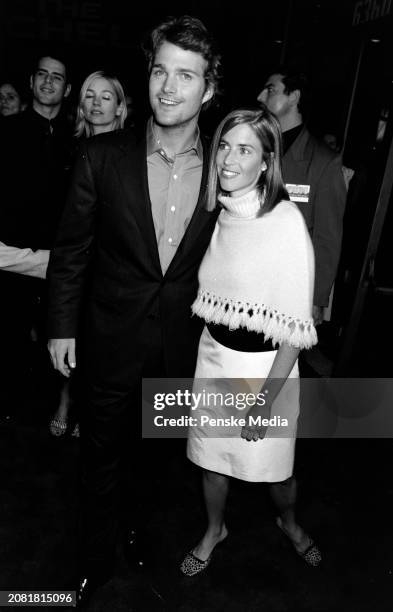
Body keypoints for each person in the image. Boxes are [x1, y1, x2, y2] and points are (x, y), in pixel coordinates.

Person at [47, 15, 221, 604]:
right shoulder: (102, 156)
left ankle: (135, 531)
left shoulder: (226, 169)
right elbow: (72, 250)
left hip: (179, 347)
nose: (168, 88)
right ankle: (94, 558)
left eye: (186, 75)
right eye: (158, 71)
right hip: (108, 341)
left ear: (209, 89)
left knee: (156, 460)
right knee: (99, 458)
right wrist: (61, 328)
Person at [180, 106, 321, 577]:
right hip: (213, 358)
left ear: (266, 161)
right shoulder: (219, 213)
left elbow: (295, 333)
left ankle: (290, 523)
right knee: (211, 459)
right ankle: (213, 529)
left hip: (268, 372)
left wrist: (264, 403)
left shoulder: (285, 224)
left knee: (276, 470)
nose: (227, 158)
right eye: (223, 145)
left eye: (244, 149)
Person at [48, 70, 127, 438]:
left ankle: (84, 410)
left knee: (97, 351)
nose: (96, 103)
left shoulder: (128, 154)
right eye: (89, 96)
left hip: (109, 270)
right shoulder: (70, 148)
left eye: (106, 96)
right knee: (68, 340)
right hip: (73, 264)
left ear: (120, 106)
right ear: (80, 104)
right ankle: (65, 401)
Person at [0, 52, 73, 423]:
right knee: (9, 336)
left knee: (57, 342)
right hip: (10, 256)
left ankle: (57, 406)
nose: (48, 82)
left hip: (59, 261)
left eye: (57, 77)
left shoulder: (76, 138)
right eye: (42, 75)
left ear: (67, 87)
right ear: (31, 82)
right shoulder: (8, 132)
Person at [257, 67, 346, 326]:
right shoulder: (252, 147)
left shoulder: (323, 162)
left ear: (294, 97)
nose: (260, 96)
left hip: (288, 290)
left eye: (270, 90)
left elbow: (327, 237)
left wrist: (317, 298)